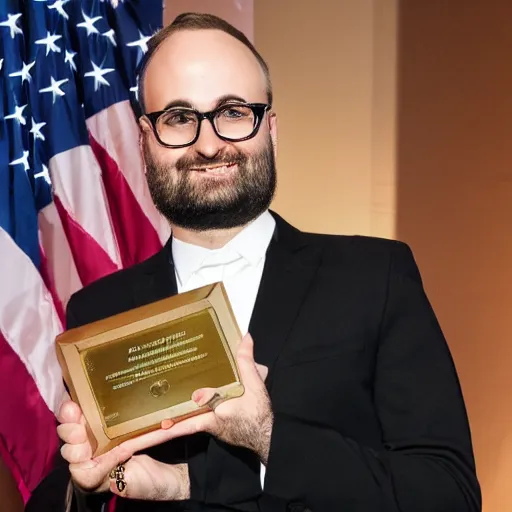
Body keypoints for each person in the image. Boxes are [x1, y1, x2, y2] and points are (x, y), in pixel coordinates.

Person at [28, 12, 481, 512]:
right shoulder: (100, 310)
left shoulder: (376, 277)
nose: (207, 143)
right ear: (144, 139)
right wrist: (87, 486)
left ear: (270, 127)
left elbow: (448, 494)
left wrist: (268, 437)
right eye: (179, 117)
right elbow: (61, 488)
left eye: (233, 111)